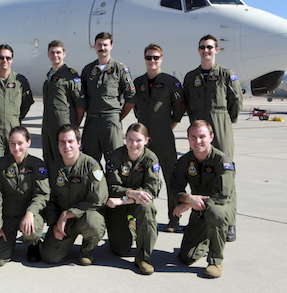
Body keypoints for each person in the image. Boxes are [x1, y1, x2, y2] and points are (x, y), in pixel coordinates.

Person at [183, 35, 242, 241]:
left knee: (226, 175)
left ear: (217, 49)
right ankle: (200, 219)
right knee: (198, 173)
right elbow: (188, 104)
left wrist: (224, 121)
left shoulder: (227, 74)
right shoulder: (191, 77)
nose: (206, 50)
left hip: (220, 126)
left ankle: (229, 222)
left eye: (209, 47)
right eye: (202, 47)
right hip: (200, 131)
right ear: (198, 50)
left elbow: (236, 103)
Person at [171, 120, 236, 279]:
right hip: (198, 208)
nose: (197, 141)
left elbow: (222, 195)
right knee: (186, 257)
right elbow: (174, 187)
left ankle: (215, 260)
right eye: (193, 137)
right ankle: (209, 235)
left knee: (215, 213)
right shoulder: (185, 161)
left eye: (202, 136)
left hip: (222, 206)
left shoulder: (223, 162)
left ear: (211, 137)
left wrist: (188, 204)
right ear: (188, 138)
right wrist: (186, 198)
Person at [133, 44, 185, 232]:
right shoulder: (138, 82)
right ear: (145, 59)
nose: (152, 61)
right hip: (143, 140)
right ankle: (141, 217)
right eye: (149, 57)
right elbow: (137, 108)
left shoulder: (171, 82)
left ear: (161, 58)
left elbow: (179, 110)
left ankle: (174, 219)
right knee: (140, 177)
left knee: (171, 178)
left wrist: (166, 127)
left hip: (164, 137)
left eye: (156, 57)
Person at [41, 124, 108, 266]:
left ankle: (87, 250)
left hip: (85, 216)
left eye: (70, 141)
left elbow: (98, 199)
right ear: (58, 145)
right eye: (62, 142)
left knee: (94, 224)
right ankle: (63, 240)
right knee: (50, 257)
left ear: (78, 143)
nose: (67, 146)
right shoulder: (53, 168)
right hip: (63, 221)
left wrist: (68, 213)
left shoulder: (91, 166)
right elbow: (50, 200)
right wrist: (54, 224)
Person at [104, 123, 161, 275]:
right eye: (129, 139)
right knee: (120, 249)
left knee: (147, 207)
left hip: (130, 203)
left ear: (146, 141)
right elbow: (111, 187)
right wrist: (131, 193)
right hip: (117, 204)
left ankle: (143, 258)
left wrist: (126, 199)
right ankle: (131, 226)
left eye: (138, 140)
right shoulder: (114, 157)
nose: (134, 144)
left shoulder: (151, 159)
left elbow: (151, 190)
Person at [0, 126, 50, 266]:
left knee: (31, 231)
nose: (16, 147)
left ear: (28, 142)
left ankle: (32, 244)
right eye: (12, 143)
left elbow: (42, 194)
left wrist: (30, 213)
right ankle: (8, 241)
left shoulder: (37, 164)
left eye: (20, 143)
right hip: (8, 217)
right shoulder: (1, 164)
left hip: (28, 215)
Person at [81, 32, 136, 162]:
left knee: (115, 161)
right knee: (89, 161)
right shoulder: (88, 70)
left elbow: (131, 97)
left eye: (105, 44)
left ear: (111, 46)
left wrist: (118, 117)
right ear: (94, 46)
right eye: (99, 44)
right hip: (91, 122)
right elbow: (81, 98)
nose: (102, 48)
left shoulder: (120, 69)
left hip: (111, 122)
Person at [42, 40, 86, 166]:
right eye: (52, 52)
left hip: (63, 124)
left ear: (64, 54)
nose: (55, 55)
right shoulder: (49, 75)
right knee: (49, 158)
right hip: (48, 126)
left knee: (64, 158)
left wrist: (73, 126)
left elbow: (80, 104)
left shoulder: (70, 75)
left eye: (58, 52)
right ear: (48, 54)